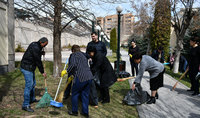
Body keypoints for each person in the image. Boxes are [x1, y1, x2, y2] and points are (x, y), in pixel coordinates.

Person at [61, 45, 93, 117]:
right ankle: (85, 112)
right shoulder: (83, 54)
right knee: (85, 95)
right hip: (89, 77)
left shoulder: (73, 55)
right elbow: (89, 58)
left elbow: (73, 64)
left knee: (75, 94)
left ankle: (74, 111)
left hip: (80, 77)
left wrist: (66, 71)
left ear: (73, 50)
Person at [20, 37, 48, 112]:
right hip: (26, 67)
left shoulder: (36, 45)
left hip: (30, 67)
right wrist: (42, 72)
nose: (44, 47)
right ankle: (25, 105)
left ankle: (32, 99)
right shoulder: (35, 47)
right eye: (44, 45)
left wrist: (41, 53)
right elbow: (38, 61)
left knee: (33, 84)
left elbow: (34, 54)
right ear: (41, 42)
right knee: (29, 85)